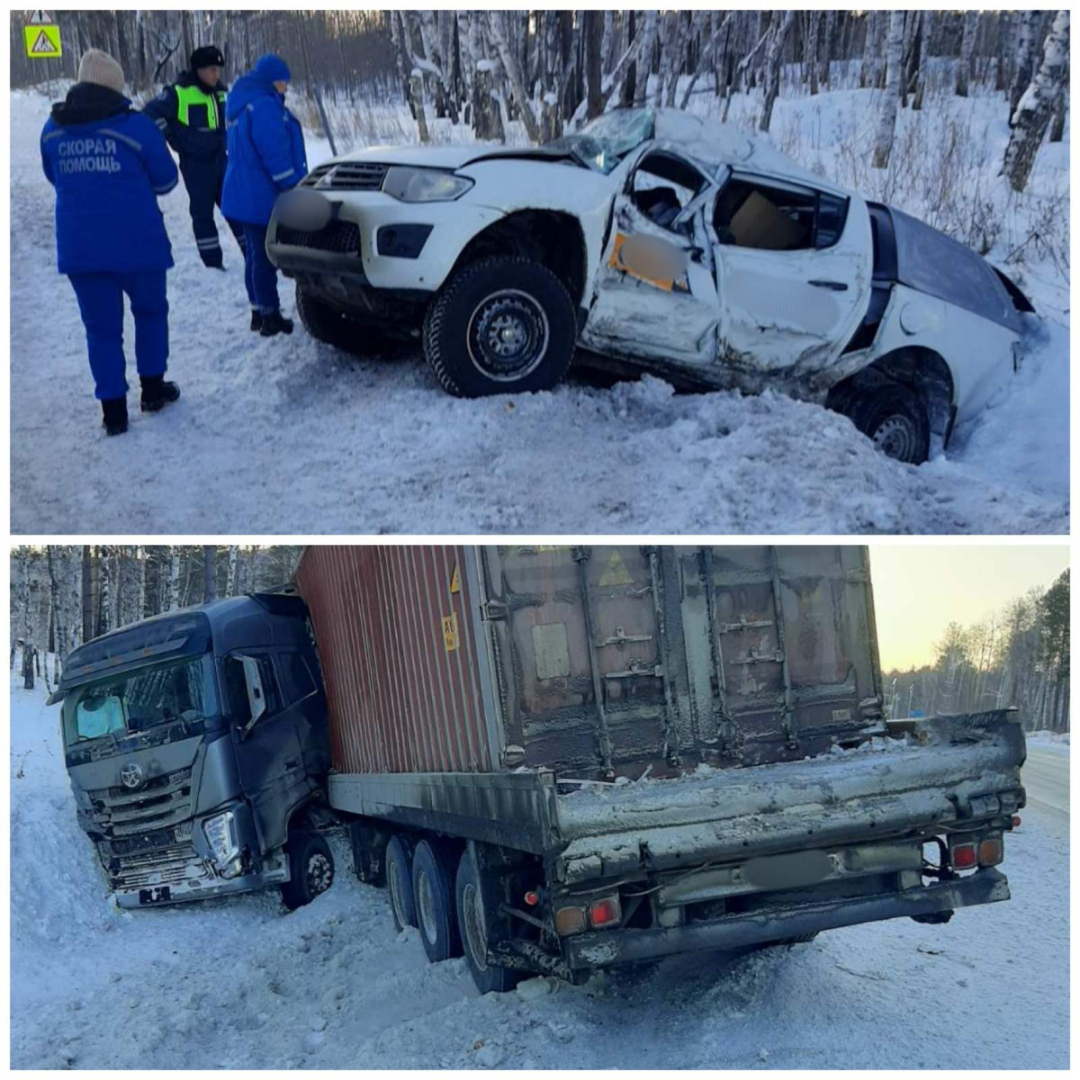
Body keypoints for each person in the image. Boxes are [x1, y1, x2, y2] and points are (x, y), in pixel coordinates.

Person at [41, 49, 181, 436]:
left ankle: (113, 412)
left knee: (101, 330)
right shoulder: (135, 127)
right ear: (115, 86)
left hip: (81, 249)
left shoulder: (52, 129)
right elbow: (167, 181)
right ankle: (153, 389)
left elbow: (54, 175)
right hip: (139, 244)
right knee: (150, 313)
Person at [143, 45, 252, 291]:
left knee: (236, 206)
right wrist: (174, 137)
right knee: (203, 215)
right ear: (199, 70)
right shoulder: (178, 93)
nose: (216, 75)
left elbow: (236, 119)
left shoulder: (222, 92)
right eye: (212, 70)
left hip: (222, 160)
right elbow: (148, 115)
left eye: (218, 70)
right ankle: (213, 266)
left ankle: (252, 255)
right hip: (196, 165)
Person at [222, 54, 307, 337]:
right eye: (283, 82)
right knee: (264, 256)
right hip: (259, 194)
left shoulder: (243, 102)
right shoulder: (263, 106)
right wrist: (292, 186)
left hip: (242, 191)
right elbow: (275, 153)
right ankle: (270, 316)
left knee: (255, 255)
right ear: (273, 81)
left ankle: (258, 310)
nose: (286, 87)